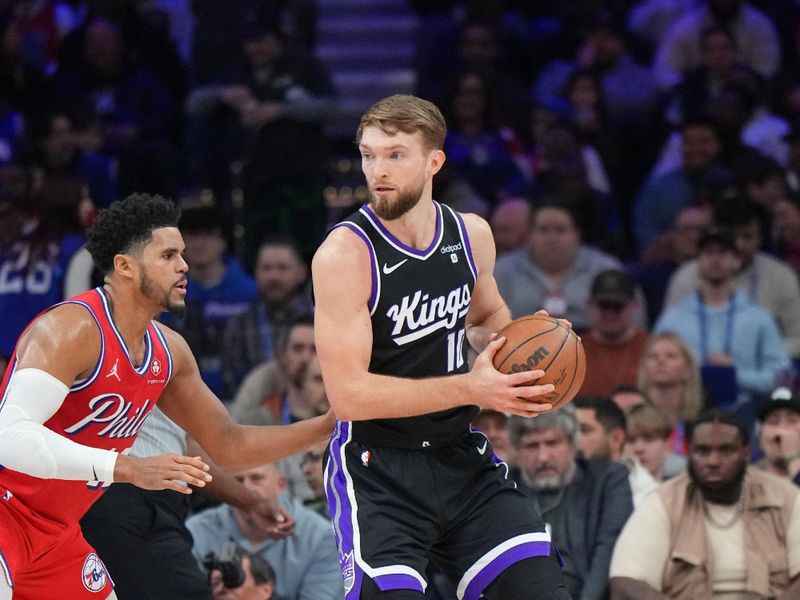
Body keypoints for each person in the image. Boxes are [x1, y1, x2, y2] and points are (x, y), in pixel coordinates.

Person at [0, 193, 334, 600]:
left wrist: (327, 427)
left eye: (184, 254)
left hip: (58, 532)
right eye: (169, 255)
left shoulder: (169, 351)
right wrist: (127, 468)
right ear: (124, 266)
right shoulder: (71, 329)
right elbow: (9, 438)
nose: (184, 266)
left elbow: (229, 445)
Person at [311, 94, 569, 599]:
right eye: (368, 155)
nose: (377, 170)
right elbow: (348, 396)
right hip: (377, 468)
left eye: (395, 155)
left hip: (458, 456)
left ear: (434, 161)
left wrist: (511, 353)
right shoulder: (344, 255)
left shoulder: (471, 234)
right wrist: (472, 386)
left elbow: (487, 317)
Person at [610, 408, 800, 599]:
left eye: (726, 450)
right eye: (702, 451)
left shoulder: (785, 497)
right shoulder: (664, 502)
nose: (713, 461)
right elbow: (625, 583)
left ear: (746, 453)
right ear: (689, 453)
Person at [507, 407, 634, 599]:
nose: (543, 457)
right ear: (517, 451)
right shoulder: (505, 490)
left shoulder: (607, 481)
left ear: (573, 445)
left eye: (552, 443)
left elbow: (607, 551)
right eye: (532, 446)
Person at [655, 226, 790, 401]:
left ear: (736, 261)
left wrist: (735, 375)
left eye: (723, 252)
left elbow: (783, 377)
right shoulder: (672, 319)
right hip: (687, 411)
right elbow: (652, 372)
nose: (715, 259)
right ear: (698, 261)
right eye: (708, 253)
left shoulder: (758, 318)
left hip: (744, 412)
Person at [187, 461, 343, 600]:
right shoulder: (196, 531)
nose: (246, 488)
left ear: (280, 484)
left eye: (257, 478)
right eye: (238, 480)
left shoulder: (321, 536)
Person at [573, 395, 658, 506]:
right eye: (570, 432)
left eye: (584, 431)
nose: (573, 440)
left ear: (616, 438)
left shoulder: (650, 499)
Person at [580, 270, 650, 396]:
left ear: (635, 306)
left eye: (618, 306)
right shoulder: (572, 351)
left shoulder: (652, 348)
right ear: (589, 305)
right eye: (604, 306)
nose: (610, 313)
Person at [637, 332, 704, 455]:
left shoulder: (702, 419)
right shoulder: (634, 415)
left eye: (671, 356)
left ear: (688, 369)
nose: (661, 361)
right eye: (653, 357)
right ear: (644, 368)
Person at [625, 404, 687, 482]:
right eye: (630, 440)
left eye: (649, 439)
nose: (638, 448)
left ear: (668, 446)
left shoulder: (685, 488)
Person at [756, 387, 800, 486]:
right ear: (760, 438)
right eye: (773, 422)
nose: (782, 430)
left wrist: (793, 458)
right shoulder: (742, 482)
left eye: (792, 420)